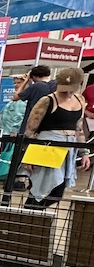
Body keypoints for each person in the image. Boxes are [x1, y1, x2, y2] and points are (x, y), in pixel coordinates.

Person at [23, 67, 91, 209]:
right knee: (41, 189)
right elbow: (30, 130)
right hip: (47, 146)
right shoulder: (47, 100)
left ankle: (39, 220)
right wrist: (29, 157)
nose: (67, 93)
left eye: (71, 89)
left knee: (59, 191)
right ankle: (29, 218)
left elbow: (79, 129)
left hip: (69, 147)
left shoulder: (80, 99)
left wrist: (84, 153)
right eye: (64, 89)